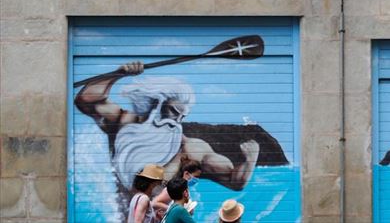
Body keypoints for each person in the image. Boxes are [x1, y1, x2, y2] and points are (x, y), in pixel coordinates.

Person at [75, 61, 261, 193]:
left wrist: (250, 160)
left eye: (182, 116)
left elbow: (233, 181)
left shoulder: (190, 149)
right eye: (174, 111)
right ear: (158, 103)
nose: (176, 121)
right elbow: (86, 100)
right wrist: (118, 73)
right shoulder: (124, 123)